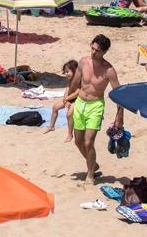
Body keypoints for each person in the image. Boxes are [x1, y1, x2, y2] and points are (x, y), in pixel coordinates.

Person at [50, 35, 123, 183]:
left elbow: (118, 94)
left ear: (104, 52)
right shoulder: (83, 62)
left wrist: (119, 117)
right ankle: (93, 165)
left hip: (96, 106)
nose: (94, 52)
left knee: (88, 142)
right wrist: (68, 99)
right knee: (78, 141)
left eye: (98, 51)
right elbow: (75, 82)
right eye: (92, 48)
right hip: (81, 103)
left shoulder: (109, 70)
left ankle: (90, 175)